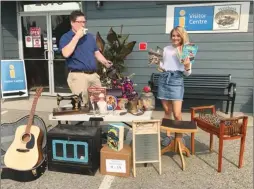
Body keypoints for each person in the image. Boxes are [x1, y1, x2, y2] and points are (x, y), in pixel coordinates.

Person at [59, 10, 112, 105]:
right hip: (79, 76)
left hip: (94, 76)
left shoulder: (89, 37)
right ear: (72, 23)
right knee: (81, 104)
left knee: (99, 103)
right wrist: (76, 37)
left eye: (84, 22)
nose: (83, 25)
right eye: (80, 22)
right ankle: (80, 120)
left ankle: (96, 120)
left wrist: (105, 62)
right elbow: (66, 54)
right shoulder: (66, 37)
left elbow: (96, 52)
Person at [157, 26, 191, 145]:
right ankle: (168, 135)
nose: (175, 38)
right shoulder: (166, 49)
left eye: (178, 35)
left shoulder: (186, 50)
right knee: (167, 110)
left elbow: (187, 73)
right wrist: (158, 63)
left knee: (177, 113)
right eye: (173, 35)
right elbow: (163, 65)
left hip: (177, 80)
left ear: (182, 36)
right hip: (164, 79)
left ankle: (179, 137)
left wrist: (187, 66)